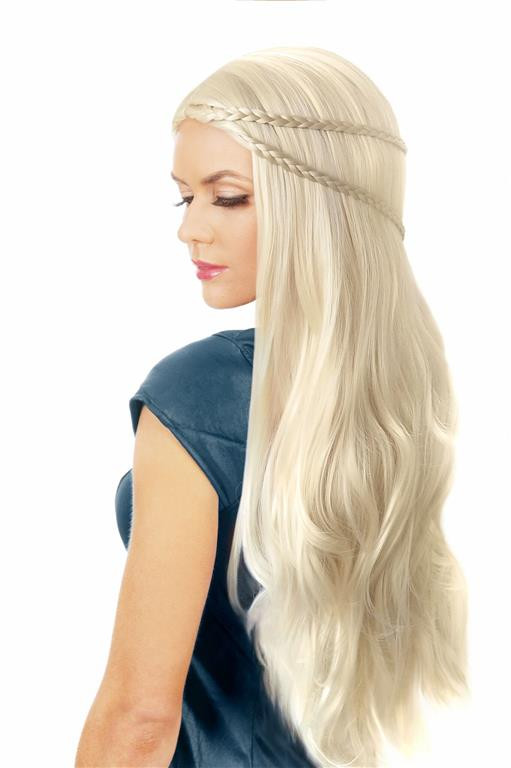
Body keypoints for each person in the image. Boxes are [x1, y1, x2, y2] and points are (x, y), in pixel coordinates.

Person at [75, 46, 470, 768]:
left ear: (316, 205)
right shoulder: (399, 397)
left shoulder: (199, 393)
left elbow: (138, 718)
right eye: (184, 197)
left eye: (227, 197)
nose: (191, 228)